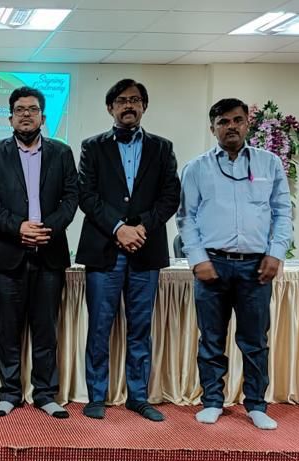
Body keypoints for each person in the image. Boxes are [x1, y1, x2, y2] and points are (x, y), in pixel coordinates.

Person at [176, 98, 292, 430]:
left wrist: (276, 253)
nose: (231, 127)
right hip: (212, 264)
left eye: (237, 120)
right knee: (211, 339)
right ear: (212, 128)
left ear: (247, 124)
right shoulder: (197, 168)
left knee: (255, 341)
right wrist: (197, 259)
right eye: (223, 122)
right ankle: (213, 401)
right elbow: (186, 218)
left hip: (256, 267)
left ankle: (256, 405)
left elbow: (283, 212)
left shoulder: (269, 164)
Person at [76, 79, 180, 422]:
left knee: (140, 327)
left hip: (146, 249)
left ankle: (138, 396)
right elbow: (87, 196)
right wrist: (119, 228)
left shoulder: (162, 148)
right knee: (99, 327)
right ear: (110, 108)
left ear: (144, 106)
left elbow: (170, 197)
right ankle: (97, 395)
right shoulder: (92, 147)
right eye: (121, 100)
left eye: (135, 100)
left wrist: (141, 227)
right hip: (104, 249)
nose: (128, 106)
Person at [0, 86, 78, 419]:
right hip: (7, 253)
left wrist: (46, 228)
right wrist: (18, 227)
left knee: (46, 328)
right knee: (9, 329)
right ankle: (9, 393)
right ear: (10, 118)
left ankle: (45, 394)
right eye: (19, 110)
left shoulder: (62, 153)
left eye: (32, 109)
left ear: (42, 117)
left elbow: (71, 198)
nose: (26, 115)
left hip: (49, 252)